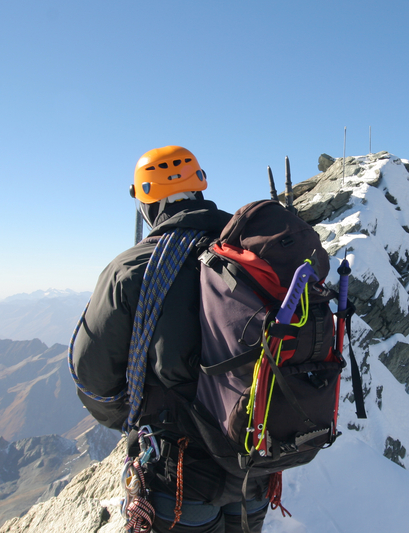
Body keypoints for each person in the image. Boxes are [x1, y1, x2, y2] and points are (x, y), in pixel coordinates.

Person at [70, 146, 270, 533]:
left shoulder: (132, 269)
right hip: (255, 459)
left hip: (179, 472)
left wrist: (138, 415)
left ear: (146, 202)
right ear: (200, 186)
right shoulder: (253, 253)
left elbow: (92, 379)